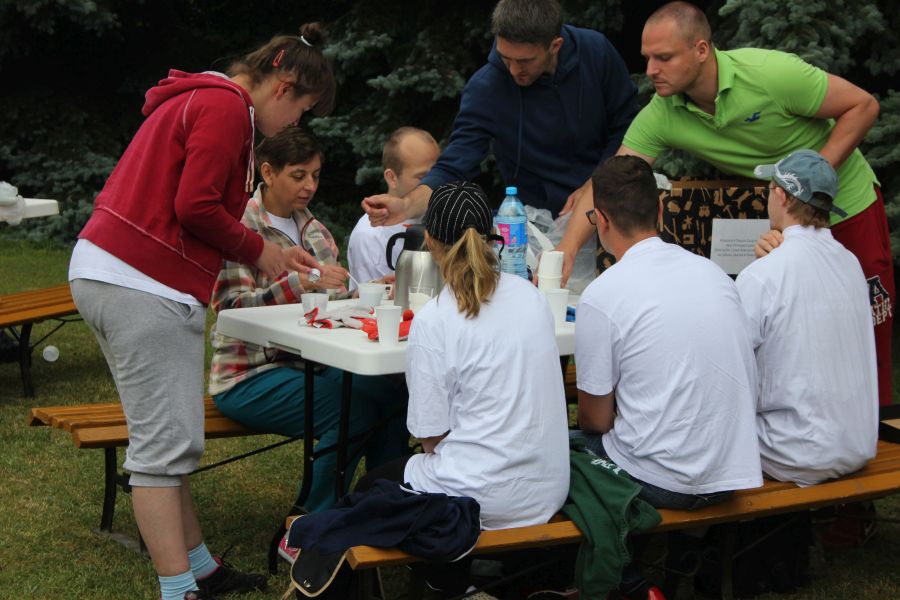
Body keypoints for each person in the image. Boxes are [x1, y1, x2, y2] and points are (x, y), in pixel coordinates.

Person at [68, 24, 336, 600]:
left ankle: (201, 570)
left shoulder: (207, 97)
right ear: (283, 87)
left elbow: (195, 206)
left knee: (170, 436)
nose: (296, 124)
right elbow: (195, 206)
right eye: (301, 111)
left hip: (116, 273)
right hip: (141, 283)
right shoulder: (227, 107)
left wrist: (270, 250)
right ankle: (178, 590)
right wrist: (258, 249)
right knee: (160, 453)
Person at [557, 0, 893, 406]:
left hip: (847, 203)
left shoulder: (771, 74)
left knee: (870, 323)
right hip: (785, 217)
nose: (651, 70)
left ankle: (877, 426)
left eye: (664, 57)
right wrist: (565, 251)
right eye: (647, 58)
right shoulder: (663, 112)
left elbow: (863, 105)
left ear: (701, 50)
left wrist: (809, 180)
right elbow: (610, 181)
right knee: (794, 335)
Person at [355, 181, 571, 596]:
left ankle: (448, 584)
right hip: (547, 489)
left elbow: (430, 438)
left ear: (430, 241)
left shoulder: (435, 319)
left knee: (369, 490)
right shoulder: (531, 297)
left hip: (481, 497)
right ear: (492, 237)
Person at [208, 127, 410, 551]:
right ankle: (308, 530)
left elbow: (332, 300)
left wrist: (371, 290)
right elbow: (229, 309)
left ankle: (386, 510)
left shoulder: (315, 230)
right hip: (248, 373)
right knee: (353, 410)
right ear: (268, 172)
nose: (309, 186)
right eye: (298, 175)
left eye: (315, 176)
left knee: (393, 396)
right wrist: (297, 284)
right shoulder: (240, 228)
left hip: (312, 362)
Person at [574, 156, 762, 598]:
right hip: (731, 470)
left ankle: (627, 579)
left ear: (601, 220)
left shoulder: (602, 294)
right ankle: (683, 557)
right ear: (659, 209)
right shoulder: (715, 275)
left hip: (666, 482)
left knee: (565, 452)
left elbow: (595, 420)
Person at [362, 0, 637, 225]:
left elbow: (629, 127)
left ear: (555, 45)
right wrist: (406, 205)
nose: (514, 71)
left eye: (525, 61)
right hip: (535, 221)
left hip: (612, 206)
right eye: (506, 58)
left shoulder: (596, 53)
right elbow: (454, 166)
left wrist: (595, 185)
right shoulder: (486, 87)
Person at [736, 149, 878, 485]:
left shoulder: (763, 274)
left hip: (792, 452)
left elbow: (731, 366)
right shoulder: (850, 262)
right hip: (856, 443)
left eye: (769, 189)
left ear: (782, 197)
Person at [346, 127, 439, 292]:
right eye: (423, 177)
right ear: (392, 178)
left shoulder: (442, 219)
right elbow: (374, 300)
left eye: (438, 174)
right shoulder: (370, 236)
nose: (435, 183)